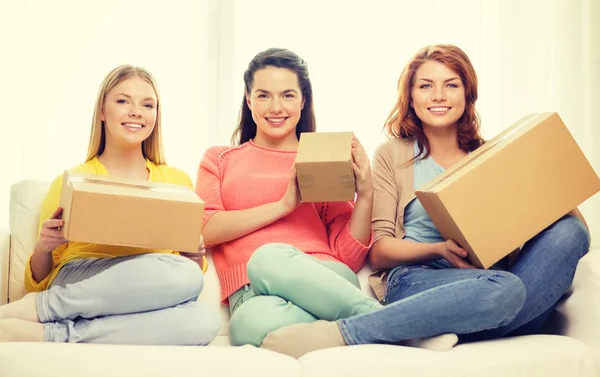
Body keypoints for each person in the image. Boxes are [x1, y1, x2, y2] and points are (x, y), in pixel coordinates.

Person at [261, 44, 591, 358]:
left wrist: (549, 187)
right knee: (506, 290)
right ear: (411, 97)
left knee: (571, 232)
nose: (438, 96)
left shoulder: (491, 155)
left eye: (451, 85)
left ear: (467, 93)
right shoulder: (393, 154)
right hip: (419, 280)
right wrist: (438, 248)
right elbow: (379, 251)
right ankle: (350, 332)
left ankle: (433, 328)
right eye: (425, 86)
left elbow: (564, 234)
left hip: (490, 284)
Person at [0, 64, 220, 345]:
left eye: (147, 104)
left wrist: (194, 256)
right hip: (82, 277)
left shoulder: (177, 181)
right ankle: (42, 310)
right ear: (103, 112)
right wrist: (45, 245)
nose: (136, 112)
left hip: (144, 288)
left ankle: (53, 334)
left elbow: (184, 274)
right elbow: (39, 280)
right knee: (185, 276)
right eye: (122, 101)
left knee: (204, 319)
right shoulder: (74, 179)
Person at [195, 48, 382, 348]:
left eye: (288, 95)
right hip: (252, 293)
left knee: (269, 257)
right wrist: (283, 206)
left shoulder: (318, 157)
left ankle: (377, 319)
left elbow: (348, 257)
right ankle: (373, 323)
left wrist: (367, 192)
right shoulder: (219, 160)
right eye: (264, 95)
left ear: (303, 99)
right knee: (245, 326)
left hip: (324, 280)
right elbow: (206, 229)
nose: (276, 107)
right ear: (248, 98)